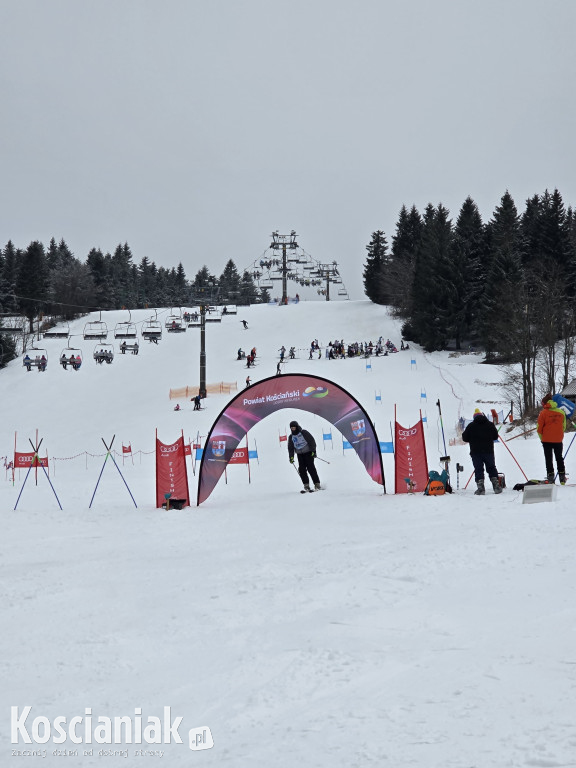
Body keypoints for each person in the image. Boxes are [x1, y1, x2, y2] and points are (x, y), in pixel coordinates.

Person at [462, 408, 502, 495]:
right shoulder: (489, 424)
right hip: (488, 451)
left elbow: (464, 438)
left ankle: (481, 489)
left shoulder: (471, 426)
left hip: (476, 452)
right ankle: (496, 487)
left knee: (478, 469)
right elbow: (495, 437)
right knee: (491, 467)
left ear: (474, 417)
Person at [537, 394, 566, 484]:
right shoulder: (561, 412)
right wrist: (558, 434)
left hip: (546, 440)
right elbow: (563, 427)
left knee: (548, 459)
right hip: (558, 439)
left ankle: (550, 478)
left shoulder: (543, 413)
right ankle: (562, 478)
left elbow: (539, 429)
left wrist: (542, 438)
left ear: (545, 403)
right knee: (559, 458)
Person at [288, 421, 321, 492]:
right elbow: (290, 447)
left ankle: (317, 484)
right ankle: (306, 485)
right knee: (302, 470)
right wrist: (291, 457)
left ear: (297, 427)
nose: (293, 429)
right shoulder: (291, 437)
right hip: (299, 454)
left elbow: (312, 441)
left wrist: (313, 451)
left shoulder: (304, 433)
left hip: (308, 453)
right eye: (292, 428)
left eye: (294, 427)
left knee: (311, 468)